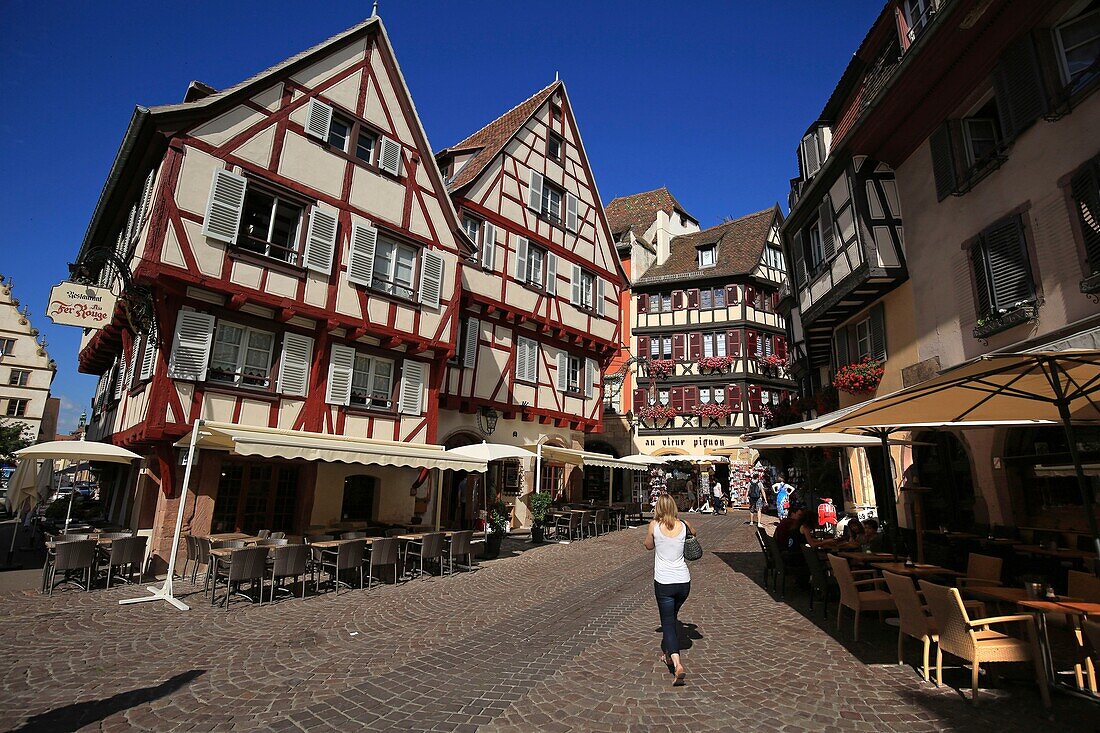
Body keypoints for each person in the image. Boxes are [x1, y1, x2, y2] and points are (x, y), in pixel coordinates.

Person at [644, 494, 693, 687]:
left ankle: (677, 663)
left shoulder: (654, 526)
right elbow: (694, 535)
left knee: (668, 623)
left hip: (664, 582)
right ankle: (667, 654)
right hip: (683, 582)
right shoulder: (684, 524)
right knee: (671, 619)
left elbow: (648, 546)